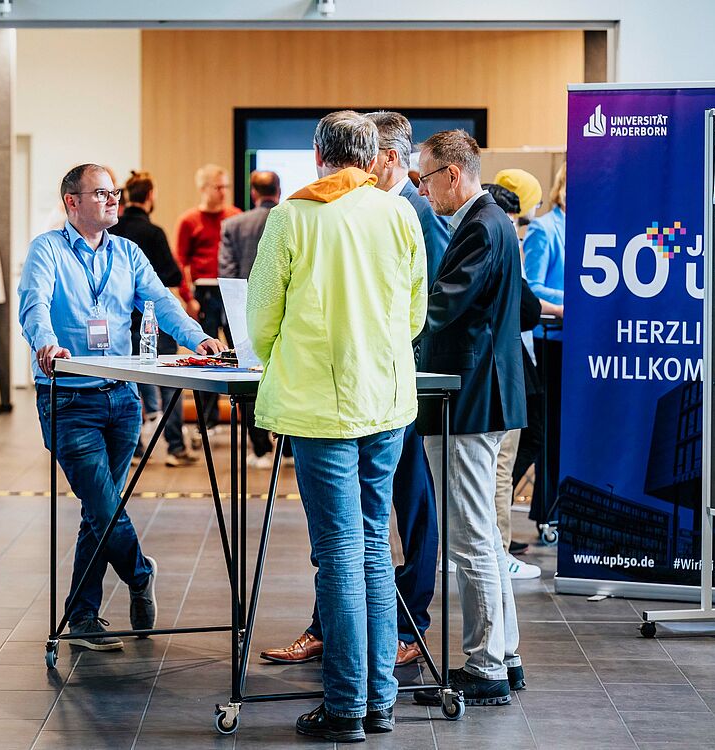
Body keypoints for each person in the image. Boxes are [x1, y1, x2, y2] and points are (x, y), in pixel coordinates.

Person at [249, 111, 427, 741]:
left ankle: (347, 705)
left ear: (318, 153)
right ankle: (379, 700)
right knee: (376, 545)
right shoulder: (398, 211)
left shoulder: (293, 216)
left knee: (338, 556)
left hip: (320, 407)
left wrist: (283, 358)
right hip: (386, 401)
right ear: (373, 155)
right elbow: (413, 313)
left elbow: (262, 317)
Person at [18, 164, 224, 653]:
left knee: (97, 510)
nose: (112, 200)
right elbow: (34, 306)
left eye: (113, 192)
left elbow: (164, 302)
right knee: (103, 503)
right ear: (72, 202)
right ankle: (139, 571)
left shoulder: (128, 253)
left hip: (122, 397)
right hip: (69, 397)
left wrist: (199, 338)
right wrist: (46, 344)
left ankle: (84, 615)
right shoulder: (46, 250)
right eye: (100, 193)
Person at [413, 129, 528, 707]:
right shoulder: (495, 224)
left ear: (452, 174)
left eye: (425, 179)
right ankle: (503, 654)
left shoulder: (480, 226)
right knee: (479, 530)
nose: (424, 191)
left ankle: (484, 666)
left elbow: (442, 307)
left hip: (469, 397)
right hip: (483, 393)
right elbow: (525, 306)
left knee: (469, 537)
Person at [111, 170, 199, 467]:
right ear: (150, 196)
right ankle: (175, 447)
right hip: (154, 320)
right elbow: (172, 274)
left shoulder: (115, 232)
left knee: (128, 380)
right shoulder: (153, 233)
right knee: (169, 381)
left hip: (123, 321)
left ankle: (133, 447)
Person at [484, 184, 543, 580]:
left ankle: (491, 547)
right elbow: (529, 310)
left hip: (495, 371)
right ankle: (497, 551)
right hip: (501, 371)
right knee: (500, 465)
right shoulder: (498, 242)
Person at [219, 170, 281, 468]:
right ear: (278, 192)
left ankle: (259, 449)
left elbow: (227, 274)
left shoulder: (233, 225)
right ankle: (288, 446)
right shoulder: (293, 219)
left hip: (244, 314)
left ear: (253, 193)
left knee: (249, 380)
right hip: (286, 315)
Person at [175, 164, 241, 432]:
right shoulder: (190, 220)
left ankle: (248, 421)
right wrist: (188, 297)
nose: (223, 192)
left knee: (241, 350)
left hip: (231, 289)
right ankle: (208, 421)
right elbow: (180, 262)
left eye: (225, 186)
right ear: (203, 189)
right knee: (208, 355)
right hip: (205, 292)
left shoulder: (235, 216)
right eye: (218, 187)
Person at [521, 164, 566, 532]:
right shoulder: (544, 228)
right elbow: (532, 286)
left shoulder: (589, 229)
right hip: (551, 339)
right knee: (548, 431)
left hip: (579, 343)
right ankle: (548, 512)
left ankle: (553, 509)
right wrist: (577, 300)